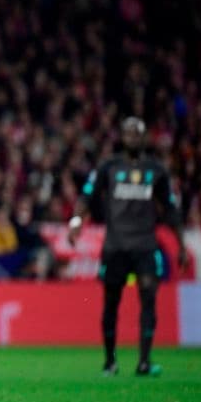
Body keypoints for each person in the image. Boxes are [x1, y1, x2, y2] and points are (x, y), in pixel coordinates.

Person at [68, 116, 187, 376]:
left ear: (143, 138)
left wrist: (181, 243)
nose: (132, 137)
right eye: (128, 133)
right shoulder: (108, 167)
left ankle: (144, 361)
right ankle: (110, 361)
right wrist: (76, 221)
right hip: (116, 246)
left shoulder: (156, 170)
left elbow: (170, 208)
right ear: (122, 137)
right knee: (111, 303)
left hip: (145, 245)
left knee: (149, 299)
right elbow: (87, 195)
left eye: (136, 133)